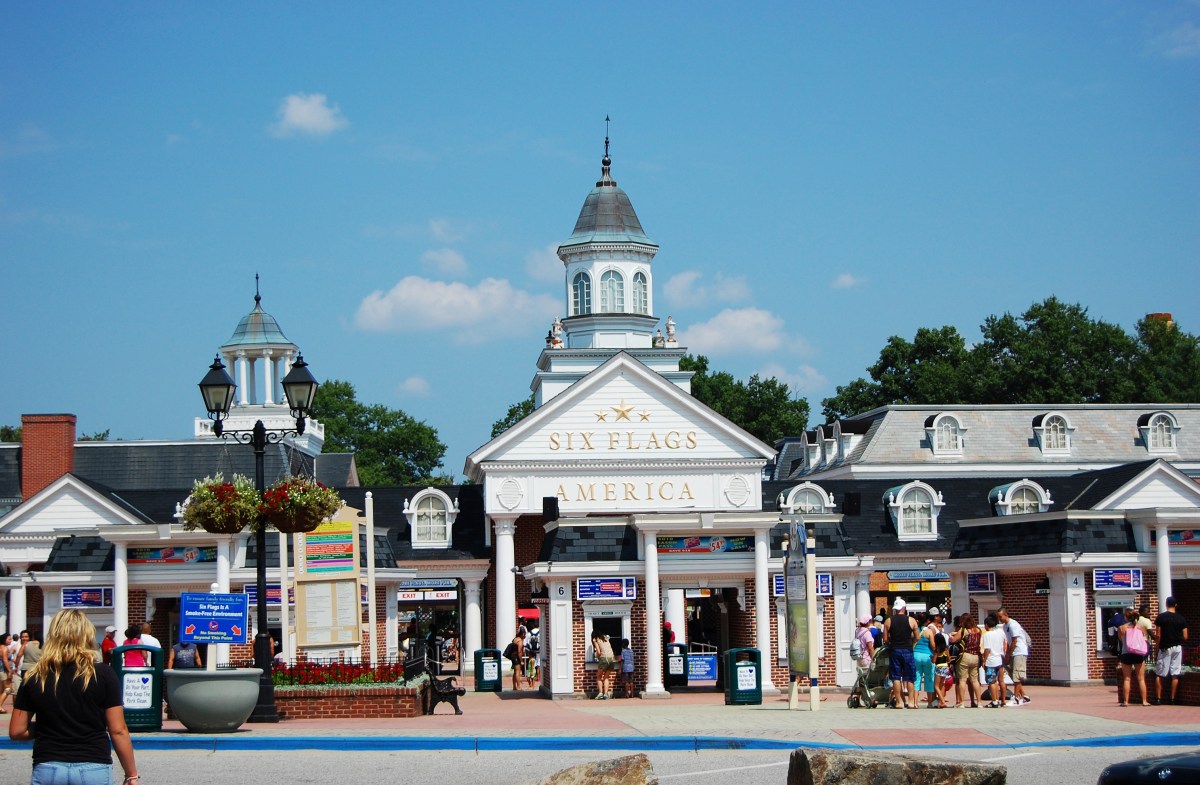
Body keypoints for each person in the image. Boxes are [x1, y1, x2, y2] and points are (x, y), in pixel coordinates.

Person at [8, 608, 138, 785]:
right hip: (93, 764)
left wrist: (50, 726)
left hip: (48, 764)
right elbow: (118, 729)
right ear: (86, 635)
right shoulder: (104, 674)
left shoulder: (35, 675)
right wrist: (131, 774)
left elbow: (17, 731)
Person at [883, 598, 918, 709]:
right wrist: (912, 643)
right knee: (910, 677)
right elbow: (918, 636)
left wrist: (891, 642)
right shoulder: (912, 620)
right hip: (908, 649)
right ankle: (911, 702)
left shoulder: (888, 621)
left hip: (895, 650)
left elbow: (885, 639)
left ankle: (899, 702)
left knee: (896, 677)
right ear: (904, 608)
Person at [1154, 596, 1189, 705]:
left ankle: (1158, 699)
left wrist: (1157, 646)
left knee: (1160, 673)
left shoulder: (1161, 618)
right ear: (1176, 605)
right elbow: (1185, 636)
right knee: (1175, 673)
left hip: (1165, 647)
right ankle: (1172, 699)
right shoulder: (1181, 619)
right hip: (1177, 647)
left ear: (1166, 604)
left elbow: (1158, 635)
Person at [1117, 607, 1151, 706]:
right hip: (1138, 653)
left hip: (1126, 653)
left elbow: (1120, 638)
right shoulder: (1140, 627)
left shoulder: (1122, 628)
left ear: (1126, 617)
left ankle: (1126, 701)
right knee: (1141, 678)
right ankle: (1144, 701)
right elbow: (1144, 637)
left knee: (1127, 679)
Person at [996, 607, 1031, 705]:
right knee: (1012, 672)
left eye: (1000, 616)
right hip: (1013, 652)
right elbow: (1008, 641)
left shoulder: (1013, 625)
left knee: (1017, 675)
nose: (999, 619)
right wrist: (1006, 653)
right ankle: (1024, 696)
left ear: (1006, 615)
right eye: (998, 617)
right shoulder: (1004, 626)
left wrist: (1008, 654)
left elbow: (1015, 641)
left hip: (1019, 651)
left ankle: (1016, 698)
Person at [949, 613, 983, 708]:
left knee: (962, 680)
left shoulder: (964, 630)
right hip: (976, 656)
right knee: (975, 680)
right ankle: (979, 702)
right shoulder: (978, 630)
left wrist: (951, 636)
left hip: (965, 655)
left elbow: (954, 640)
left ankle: (962, 702)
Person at [980, 614, 1008, 708]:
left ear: (987, 625)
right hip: (999, 660)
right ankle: (1002, 700)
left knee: (992, 681)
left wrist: (984, 660)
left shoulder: (987, 635)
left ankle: (994, 700)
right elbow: (1005, 643)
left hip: (991, 661)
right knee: (1000, 681)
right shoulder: (1000, 632)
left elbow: (987, 649)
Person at [912, 611, 937, 708]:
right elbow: (933, 645)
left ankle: (915, 702)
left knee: (916, 678)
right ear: (927, 621)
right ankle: (930, 702)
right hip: (927, 656)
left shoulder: (915, 630)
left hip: (915, 655)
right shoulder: (929, 631)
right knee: (929, 678)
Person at [929, 609, 953, 708]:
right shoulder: (946, 649)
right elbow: (949, 659)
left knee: (936, 686)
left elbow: (934, 661)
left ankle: (942, 701)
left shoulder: (937, 651)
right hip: (945, 668)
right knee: (942, 685)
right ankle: (941, 700)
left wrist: (932, 658)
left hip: (938, 667)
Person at [592, 632, 616, 700]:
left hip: (604, 658)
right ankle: (605, 694)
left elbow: (599, 652)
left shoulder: (595, 639)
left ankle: (600, 694)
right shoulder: (606, 638)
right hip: (612, 659)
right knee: (606, 677)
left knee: (599, 676)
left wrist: (596, 656)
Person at [0, 633, 13, 713]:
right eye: (9, 639)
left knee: (1, 690)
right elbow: (5, 660)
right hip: (3, 670)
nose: (10, 640)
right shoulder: (4, 648)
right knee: (8, 689)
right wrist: (9, 670)